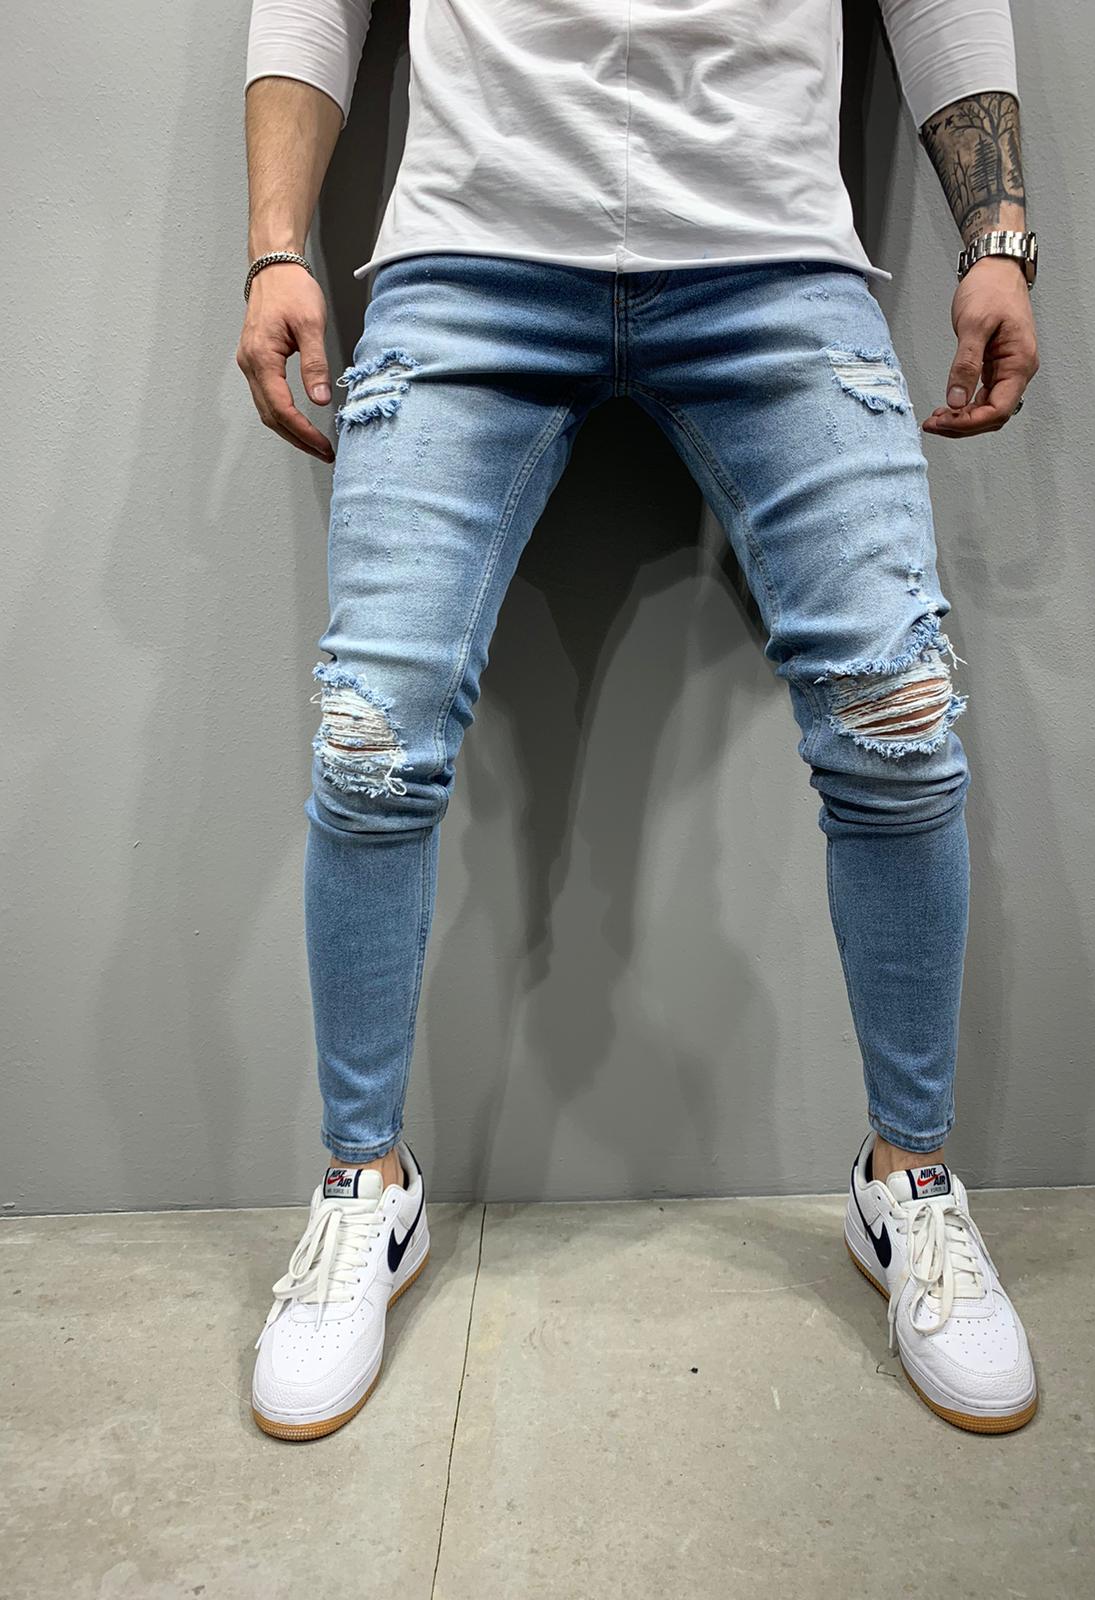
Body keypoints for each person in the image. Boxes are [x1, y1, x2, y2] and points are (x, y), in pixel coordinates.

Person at [237, 0, 1041, 1442]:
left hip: (772, 256)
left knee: (900, 721)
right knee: (373, 737)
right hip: (471, 251)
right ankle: (365, 1191)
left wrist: (997, 236)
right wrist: (277, 244)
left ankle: (909, 1183)